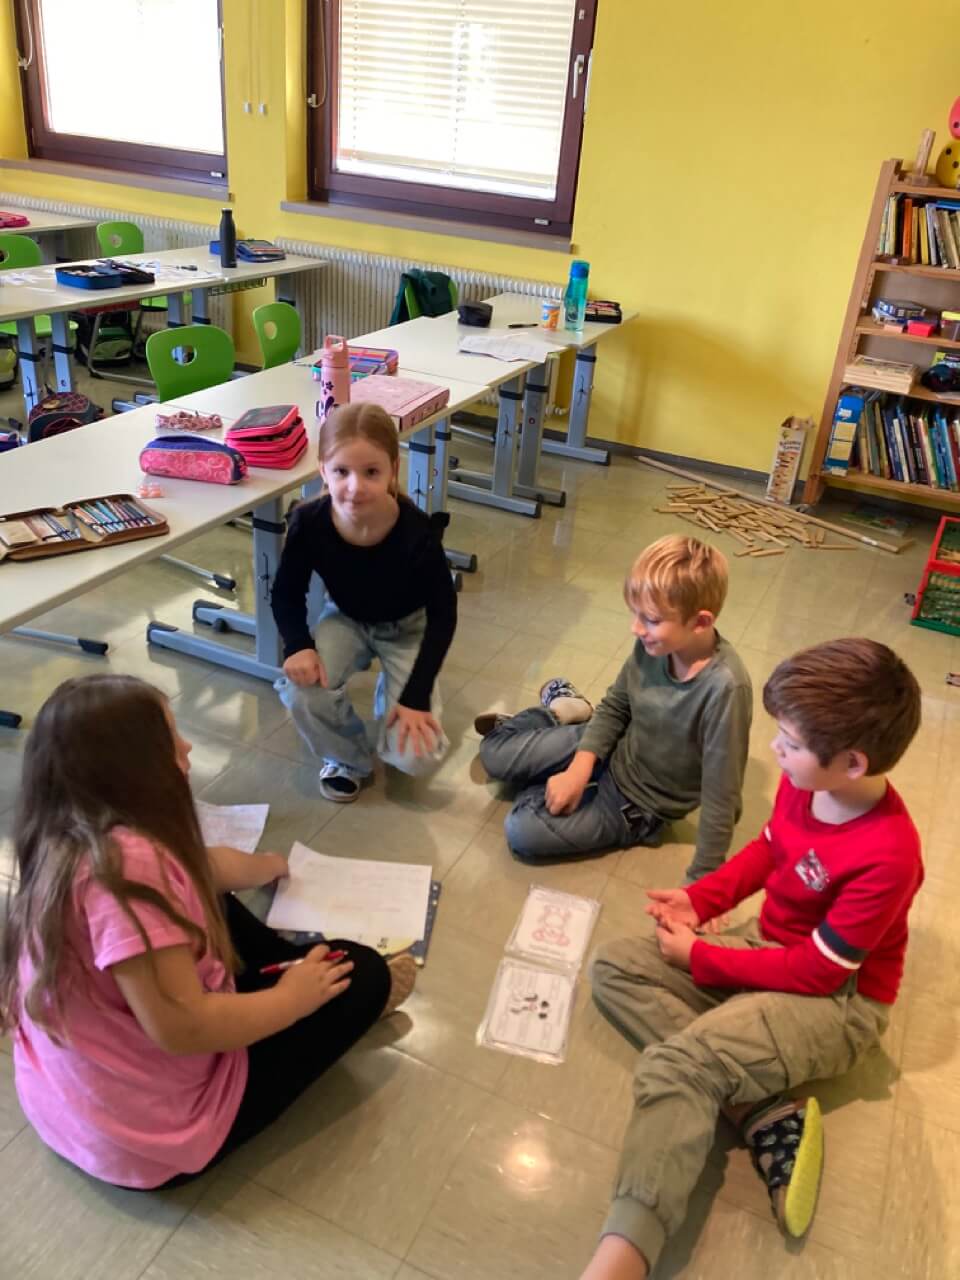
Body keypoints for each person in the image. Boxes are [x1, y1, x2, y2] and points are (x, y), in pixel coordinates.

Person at [581, 638, 923, 1280]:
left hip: (838, 1004)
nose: (775, 750)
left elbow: (821, 973)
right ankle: (759, 1110)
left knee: (680, 1065)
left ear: (852, 762)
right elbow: (767, 850)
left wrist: (703, 958)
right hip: (771, 949)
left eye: (789, 742)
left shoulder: (889, 854)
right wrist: (699, 898)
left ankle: (621, 1259)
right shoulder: (805, 782)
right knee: (613, 967)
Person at [0, 674, 415, 1190]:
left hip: (73, 1099)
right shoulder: (130, 873)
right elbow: (182, 1028)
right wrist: (291, 1000)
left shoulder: (68, 834)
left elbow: (202, 868)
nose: (188, 746)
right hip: (150, 1136)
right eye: (171, 736)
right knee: (363, 973)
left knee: (207, 894)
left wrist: (268, 865)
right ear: (135, 767)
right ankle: (291, 980)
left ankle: (283, 969)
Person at [475, 535, 751, 877]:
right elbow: (617, 706)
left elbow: (723, 797)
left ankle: (553, 747)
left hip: (637, 801)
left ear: (700, 622)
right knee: (493, 753)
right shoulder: (653, 645)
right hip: (612, 746)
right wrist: (579, 768)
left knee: (521, 829)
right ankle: (565, 709)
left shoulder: (725, 689)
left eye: (651, 619)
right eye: (636, 614)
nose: (636, 628)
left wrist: (703, 879)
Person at [272, 402, 457, 803]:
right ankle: (347, 758)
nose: (355, 487)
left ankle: (394, 696)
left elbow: (444, 615)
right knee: (302, 691)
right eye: (341, 471)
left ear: (393, 469)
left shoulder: (416, 533)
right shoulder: (309, 522)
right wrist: (298, 644)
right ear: (323, 470)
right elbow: (286, 591)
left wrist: (415, 695)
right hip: (346, 618)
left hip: (409, 627)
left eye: (371, 472)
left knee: (416, 757)